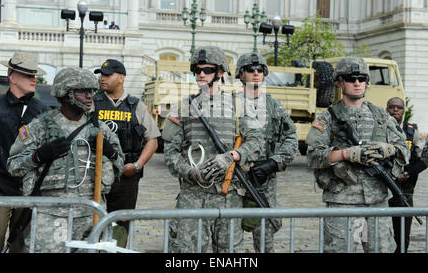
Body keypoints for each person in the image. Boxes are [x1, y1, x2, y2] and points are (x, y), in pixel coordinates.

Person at [7, 67, 124, 253]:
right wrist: (38, 156)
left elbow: (120, 166)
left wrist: (111, 153)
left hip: (91, 216)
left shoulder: (99, 129)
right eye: (82, 91)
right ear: (64, 93)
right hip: (50, 216)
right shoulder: (40, 127)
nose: (89, 96)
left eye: (92, 91)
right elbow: (13, 165)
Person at [162, 46, 264, 253]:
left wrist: (232, 156)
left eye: (207, 70)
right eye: (197, 70)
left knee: (229, 253)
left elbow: (257, 143)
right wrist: (189, 171)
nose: (201, 74)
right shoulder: (183, 107)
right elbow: (170, 151)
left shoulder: (238, 106)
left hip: (229, 195)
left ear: (220, 73)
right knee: (186, 252)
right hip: (193, 194)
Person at [306, 56, 410, 253]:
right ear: (339, 82)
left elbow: (405, 149)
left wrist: (389, 149)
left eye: (361, 78)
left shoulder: (382, 116)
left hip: (376, 201)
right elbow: (312, 156)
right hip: (342, 202)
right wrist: (346, 154)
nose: (356, 83)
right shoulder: (328, 117)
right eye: (350, 78)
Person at [234, 52, 298, 253]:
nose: (255, 73)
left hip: (265, 177)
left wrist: (274, 163)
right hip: (235, 177)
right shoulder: (228, 104)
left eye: (259, 69)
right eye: (250, 69)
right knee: (229, 235)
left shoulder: (274, 105)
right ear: (240, 74)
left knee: (265, 235)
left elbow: (291, 137)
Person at [93, 59, 160, 247]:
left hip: (126, 177)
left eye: (108, 75)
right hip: (96, 175)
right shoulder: (94, 103)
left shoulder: (135, 106)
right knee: (92, 221)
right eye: (102, 75)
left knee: (120, 224)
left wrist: (137, 165)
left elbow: (152, 140)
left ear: (121, 78)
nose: (103, 79)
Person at [0, 52, 49, 253]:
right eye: (28, 75)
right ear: (12, 77)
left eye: (34, 75)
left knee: (20, 248)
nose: (34, 79)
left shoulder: (41, 110)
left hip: (28, 191)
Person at [386, 97, 427, 253]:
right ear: (386, 109)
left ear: (404, 111)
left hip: (404, 189)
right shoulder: (379, 130)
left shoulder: (411, 131)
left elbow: (423, 158)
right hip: (381, 186)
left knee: (402, 234)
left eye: (399, 107)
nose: (395, 110)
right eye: (391, 107)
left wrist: (409, 173)